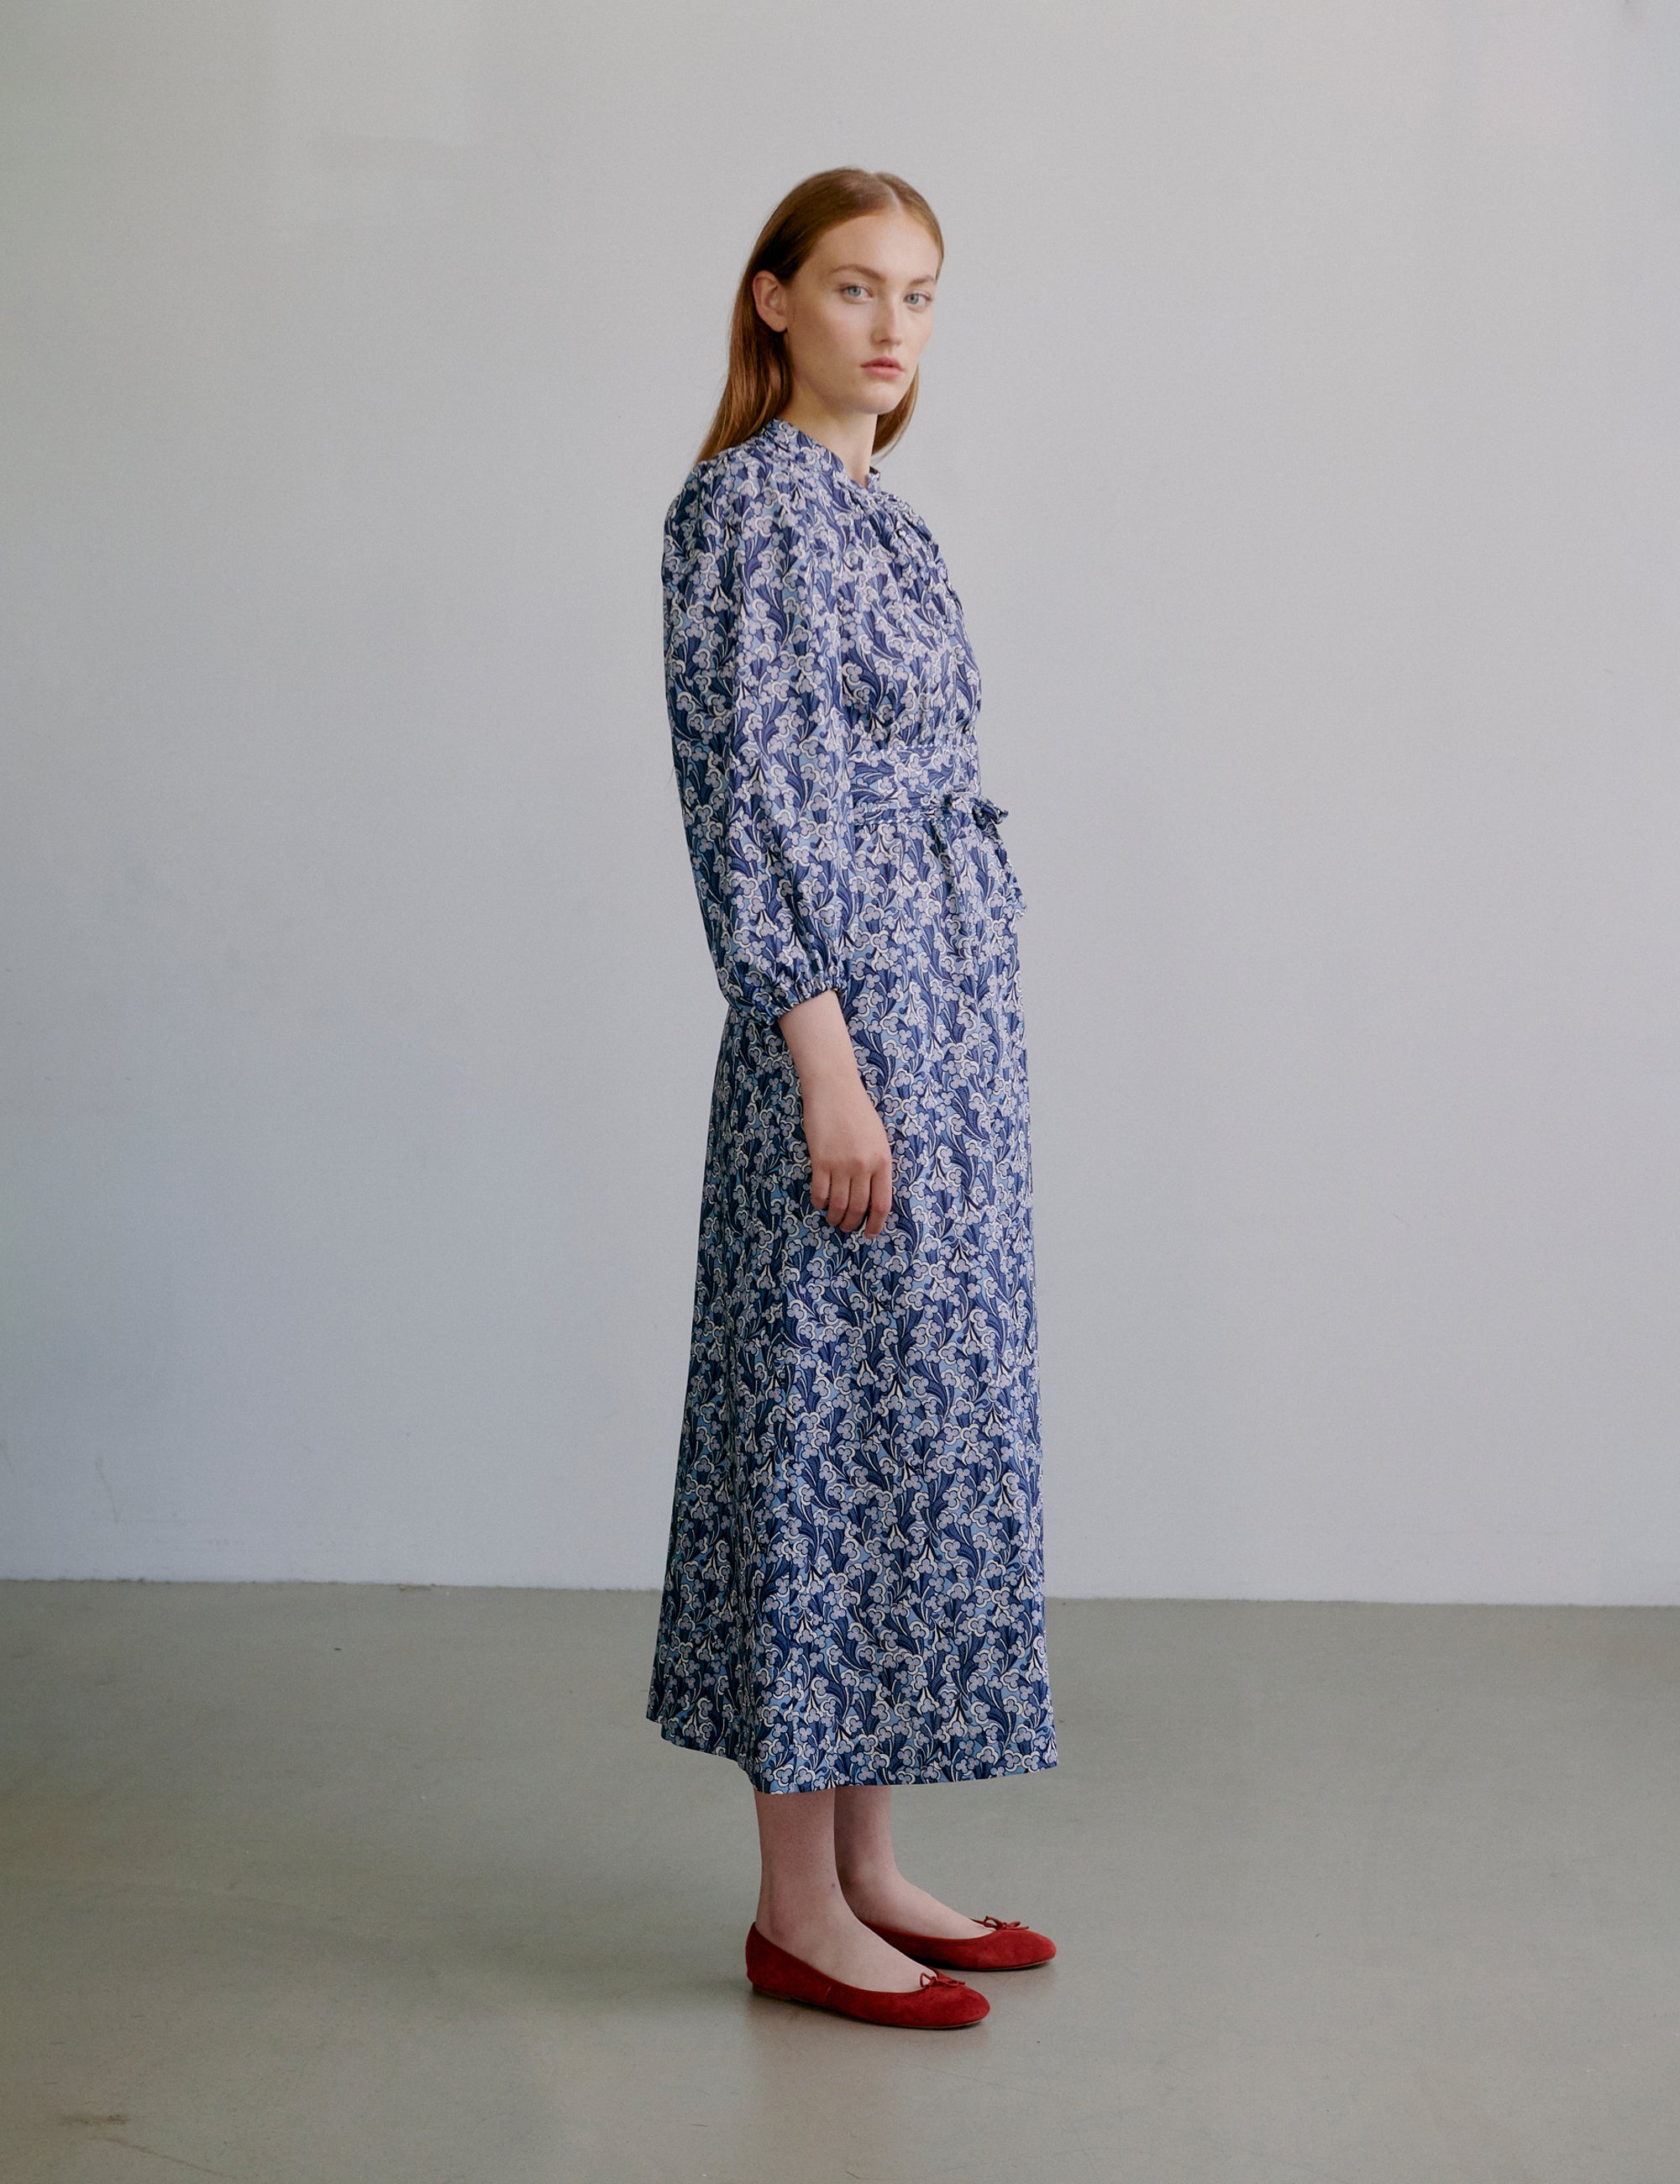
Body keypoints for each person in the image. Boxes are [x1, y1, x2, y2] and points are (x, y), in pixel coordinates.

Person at [648, 168, 1057, 2030]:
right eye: (851, 288)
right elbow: (744, 800)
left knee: (908, 1435)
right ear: (769, 303)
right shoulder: (750, 511)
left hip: (945, 1030)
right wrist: (821, 1051)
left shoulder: (874, 514)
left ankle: (875, 1868)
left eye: (919, 296)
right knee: (817, 1440)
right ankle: (795, 1906)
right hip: (846, 1038)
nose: (891, 328)